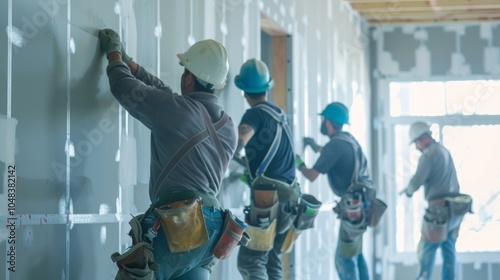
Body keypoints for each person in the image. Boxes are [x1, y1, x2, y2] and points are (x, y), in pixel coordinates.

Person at [98, 29, 240, 280]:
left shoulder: (175, 110)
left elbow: (123, 87)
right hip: (211, 232)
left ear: (188, 78)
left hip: (180, 224)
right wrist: (133, 65)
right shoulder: (229, 127)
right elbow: (164, 93)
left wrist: (114, 54)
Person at [233, 58, 299, 280]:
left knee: (251, 262)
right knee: (272, 261)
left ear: (244, 92)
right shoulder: (279, 114)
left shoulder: (253, 115)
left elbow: (242, 139)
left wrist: (224, 150)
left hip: (268, 200)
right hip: (290, 199)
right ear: (266, 88)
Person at [296, 102, 371, 280]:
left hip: (352, 206)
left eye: (323, 119)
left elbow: (312, 175)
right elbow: (332, 154)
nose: (322, 123)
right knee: (355, 254)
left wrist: (299, 164)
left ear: (328, 122)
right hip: (362, 204)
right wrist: (315, 147)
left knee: (344, 259)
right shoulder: (348, 140)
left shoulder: (335, 146)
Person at [400, 122, 463, 280]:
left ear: (424, 138)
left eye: (416, 142)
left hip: (439, 211)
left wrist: (408, 191)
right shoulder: (443, 150)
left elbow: (416, 182)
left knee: (428, 248)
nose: (416, 147)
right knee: (448, 250)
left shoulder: (429, 155)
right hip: (454, 210)